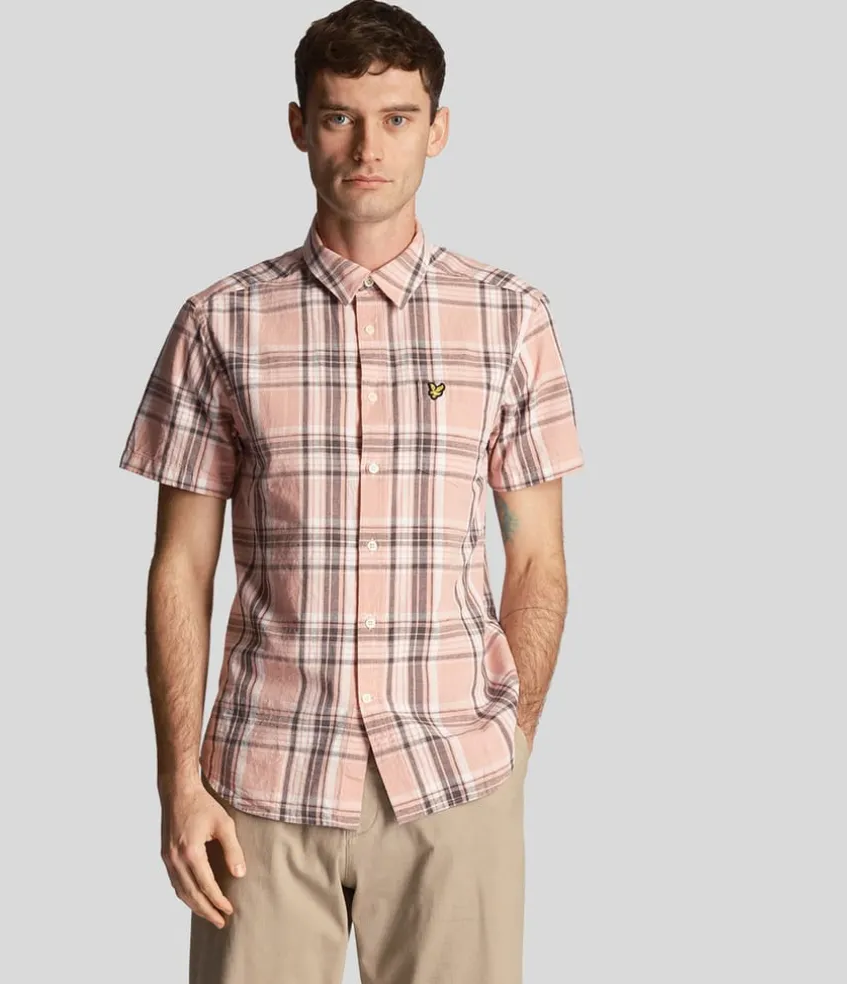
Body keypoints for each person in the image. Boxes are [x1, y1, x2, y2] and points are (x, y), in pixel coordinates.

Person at [118, 1, 584, 980]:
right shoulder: (218, 323)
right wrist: (177, 782)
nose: (369, 148)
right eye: (340, 117)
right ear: (299, 126)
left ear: (438, 129)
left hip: (455, 784)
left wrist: (513, 743)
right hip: (262, 784)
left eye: (398, 118)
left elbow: (539, 558)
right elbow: (180, 567)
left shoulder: (511, 317)